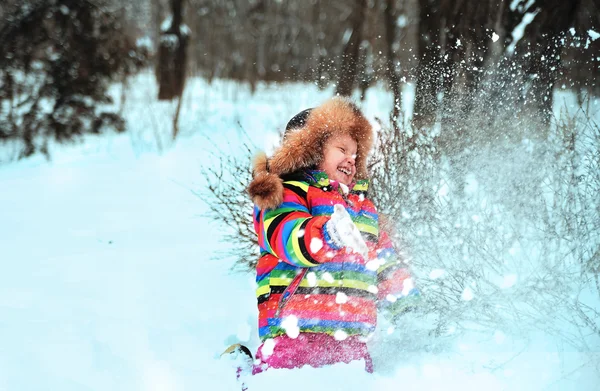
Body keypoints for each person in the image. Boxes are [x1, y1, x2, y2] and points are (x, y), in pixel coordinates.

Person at [247, 96, 419, 374]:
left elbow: (386, 265)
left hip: (351, 343)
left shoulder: (365, 211)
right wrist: (327, 234)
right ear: (311, 150)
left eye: (355, 153)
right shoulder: (287, 195)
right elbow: (288, 237)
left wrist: (409, 307)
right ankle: (244, 372)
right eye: (342, 149)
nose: (351, 159)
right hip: (293, 335)